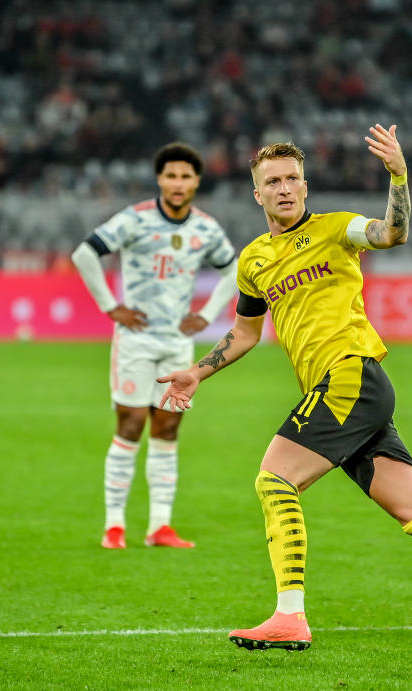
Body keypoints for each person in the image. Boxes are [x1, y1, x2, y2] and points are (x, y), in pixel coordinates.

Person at [158, 125, 412, 649]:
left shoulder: (337, 229)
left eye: (293, 178)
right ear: (257, 193)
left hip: (351, 377)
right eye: (274, 181)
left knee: (274, 480)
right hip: (346, 393)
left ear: (305, 187)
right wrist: (197, 372)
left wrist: (398, 175)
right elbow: (246, 332)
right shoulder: (254, 262)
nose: (285, 188)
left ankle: (290, 614)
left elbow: (390, 233)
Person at [72, 142, 238, 549]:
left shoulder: (205, 228)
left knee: (167, 427)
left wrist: (208, 312)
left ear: (196, 181)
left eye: (185, 176)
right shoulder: (135, 219)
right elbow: (84, 254)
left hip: (177, 344)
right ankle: (114, 526)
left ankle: (159, 526)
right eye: (171, 175)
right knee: (130, 425)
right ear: (159, 179)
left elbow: (236, 269)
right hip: (135, 342)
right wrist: (112, 307)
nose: (178, 183)